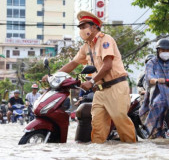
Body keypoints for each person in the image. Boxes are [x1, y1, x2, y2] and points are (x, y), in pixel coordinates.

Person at [42, 11, 136, 143]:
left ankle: (132, 152)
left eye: (83, 26)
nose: (81, 30)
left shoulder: (105, 40)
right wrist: (54, 76)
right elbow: (73, 63)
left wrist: (91, 81)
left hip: (116, 86)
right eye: (79, 27)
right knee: (97, 126)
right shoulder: (86, 47)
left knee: (120, 121)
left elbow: (107, 65)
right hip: (100, 91)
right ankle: (97, 155)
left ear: (94, 26)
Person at [139, 39, 169, 138]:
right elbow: (149, 77)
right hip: (158, 93)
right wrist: (157, 80)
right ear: (158, 51)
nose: (165, 53)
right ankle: (154, 131)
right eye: (163, 50)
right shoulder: (152, 63)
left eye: (168, 51)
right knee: (158, 104)